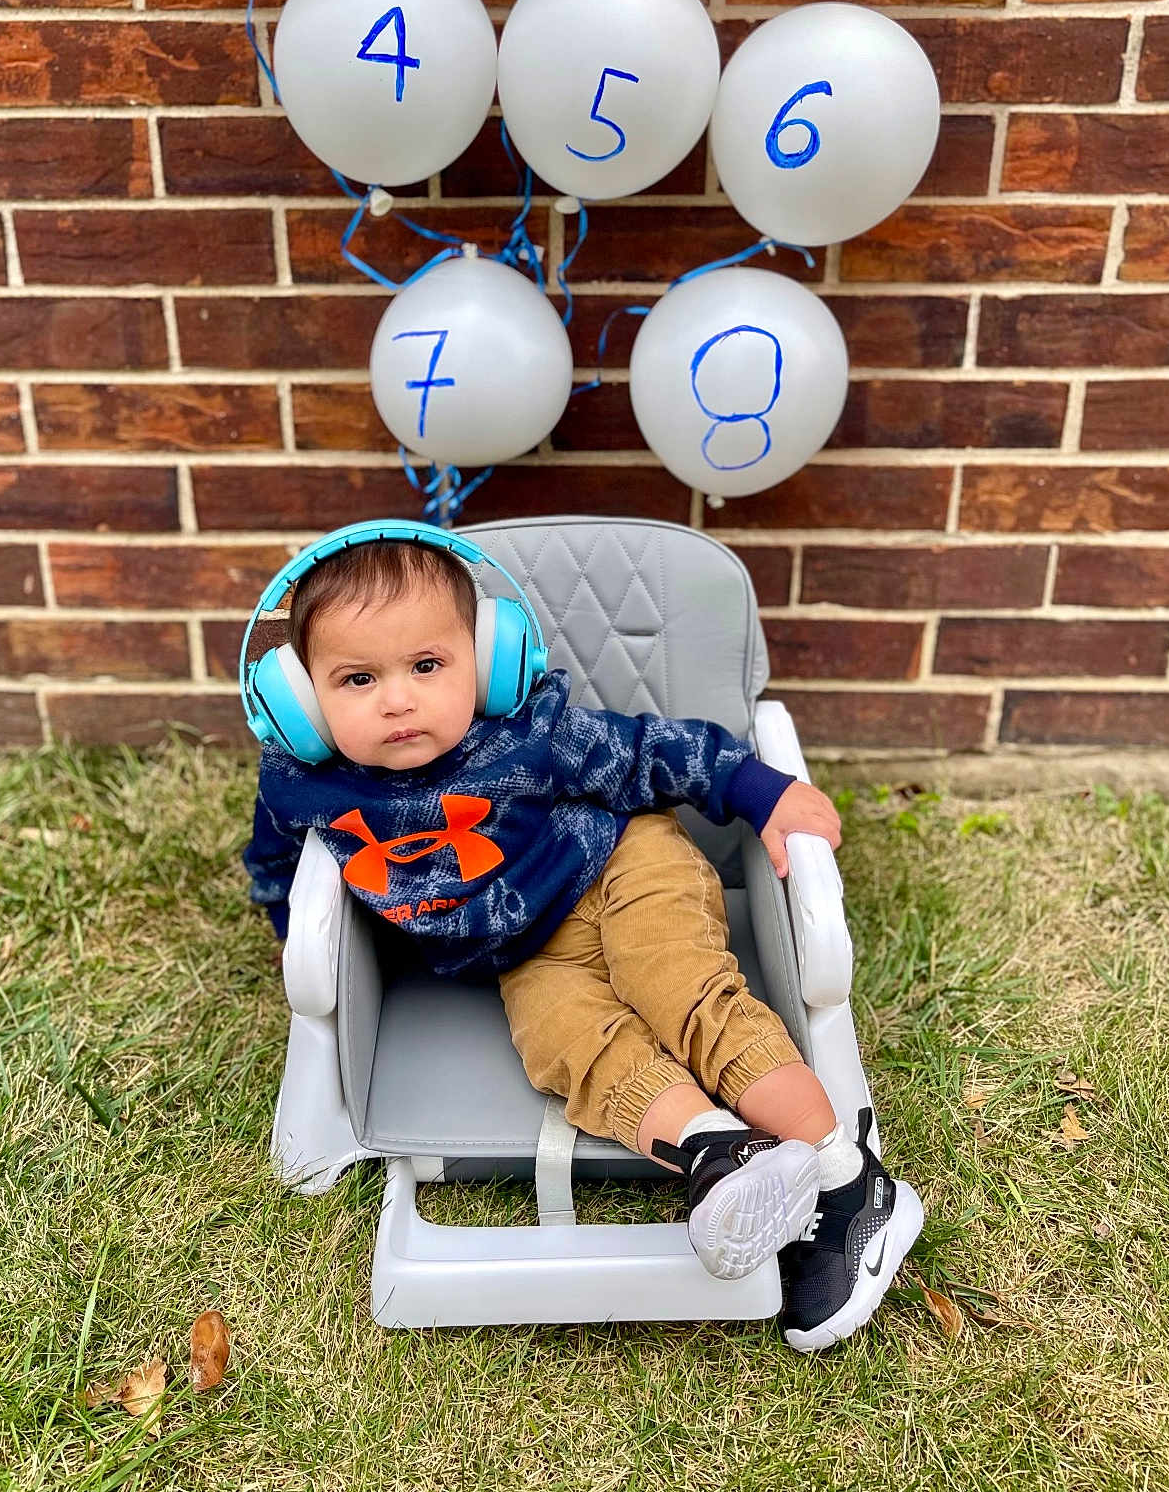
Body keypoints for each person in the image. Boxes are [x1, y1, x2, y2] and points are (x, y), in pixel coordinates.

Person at [243, 530, 922, 1350]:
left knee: (676, 986)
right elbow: (277, 866)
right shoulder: (300, 783)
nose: (397, 700)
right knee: (564, 1044)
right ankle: (722, 1156)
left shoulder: (527, 732)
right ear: (302, 703)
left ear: (485, 661)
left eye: (427, 666)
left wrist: (755, 788)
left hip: (620, 862)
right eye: (358, 679)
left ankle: (845, 1182)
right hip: (525, 950)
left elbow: (645, 752)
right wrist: (301, 940)